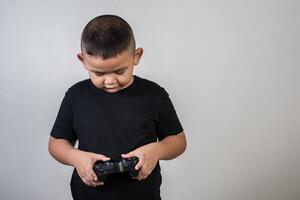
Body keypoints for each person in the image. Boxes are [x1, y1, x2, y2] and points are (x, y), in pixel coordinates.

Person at [48, 14, 187, 200]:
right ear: (83, 61)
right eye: (98, 73)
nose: (110, 81)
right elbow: (56, 144)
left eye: (120, 71)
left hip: (143, 195)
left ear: (136, 56)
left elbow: (178, 141)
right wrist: (76, 158)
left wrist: (157, 150)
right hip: (89, 195)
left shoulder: (154, 95)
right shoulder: (75, 96)